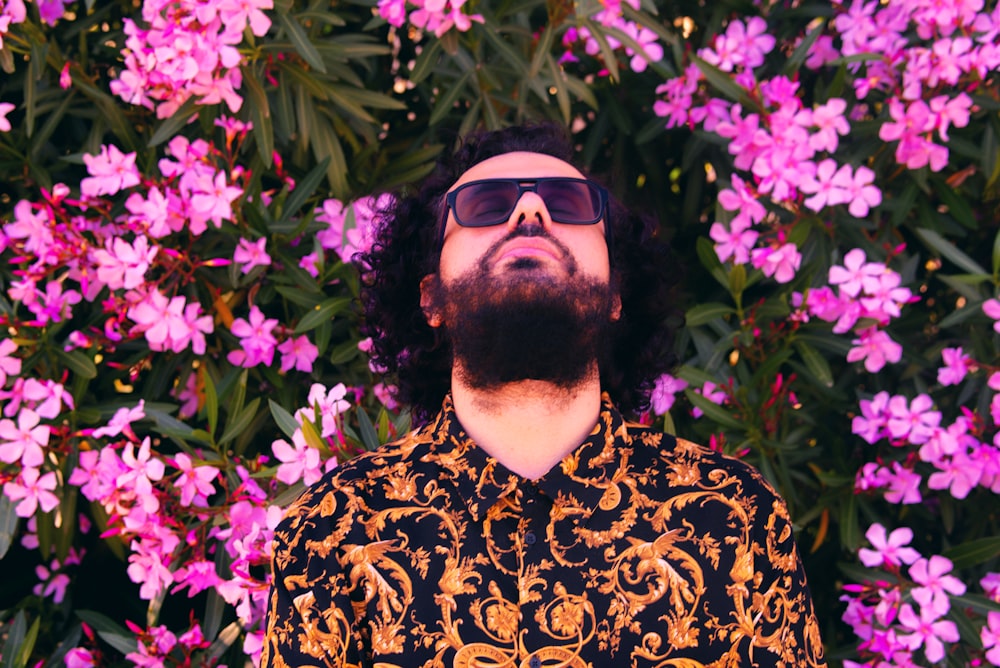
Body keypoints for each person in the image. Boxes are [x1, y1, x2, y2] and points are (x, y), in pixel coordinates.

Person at [262, 124, 827, 667]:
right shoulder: (332, 532)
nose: (529, 213)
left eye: (568, 203)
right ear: (429, 299)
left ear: (614, 296)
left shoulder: (732, 517)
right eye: (484, 206)